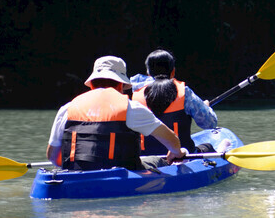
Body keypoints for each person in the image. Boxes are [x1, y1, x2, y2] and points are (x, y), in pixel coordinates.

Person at [47, 56, 185, 171]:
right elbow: (172, 141)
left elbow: (53, 157)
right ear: (120, 85)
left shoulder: (67, 109)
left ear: (92, 84)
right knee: (156, 160)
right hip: (121, 178)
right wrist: (178, 153)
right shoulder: (131, 108)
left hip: (75, 176)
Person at [131, 49, 218, 155]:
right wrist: (206, 108)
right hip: (181, 155)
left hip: (145, 158)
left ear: (148, 73)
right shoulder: (185, 93)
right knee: (208, 147)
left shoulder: (134, 95)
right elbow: (210, 124)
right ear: (173, 72)